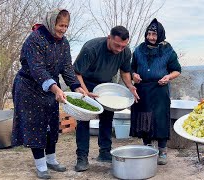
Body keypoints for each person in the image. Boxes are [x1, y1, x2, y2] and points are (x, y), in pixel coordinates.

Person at [11, 9, 85, 179]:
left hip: (51, 87)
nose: (63, 29)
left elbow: (67, 67)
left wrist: (76, 86)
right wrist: (55, 88)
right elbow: (37, 69)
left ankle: (51, 159)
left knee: (51, 124)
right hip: (29, 87)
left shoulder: (64, 43)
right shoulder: (35, 39)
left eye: (66, 26)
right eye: (61, 25)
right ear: (52, 23)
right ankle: (41, 165)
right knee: (35, 125)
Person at [73, 25, 139, 172]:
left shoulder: (125, 51)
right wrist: (84, 91)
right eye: (117, 45)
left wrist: (130, 86)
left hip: (106, 86)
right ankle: (82, 157)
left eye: (123, 46)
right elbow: (76, 72)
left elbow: (125, 71)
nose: (120, 49)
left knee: (107, 118)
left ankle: (104, 152)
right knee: (84, 120)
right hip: (86, 84)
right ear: (109, 37)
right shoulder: (92, 48)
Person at [130, 18, 181, 165]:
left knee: (160, 118)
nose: (151, 37)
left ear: (160, 35)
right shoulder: (139, 50)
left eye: (154, 34)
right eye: (149, 34)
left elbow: (177, 70)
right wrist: (134, 75)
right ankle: (147, 148)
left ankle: (162, 150)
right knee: (144, 118)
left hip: (160, 89)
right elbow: (132, 67)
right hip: (143, 89)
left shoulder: (167, 50)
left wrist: (168, 77)